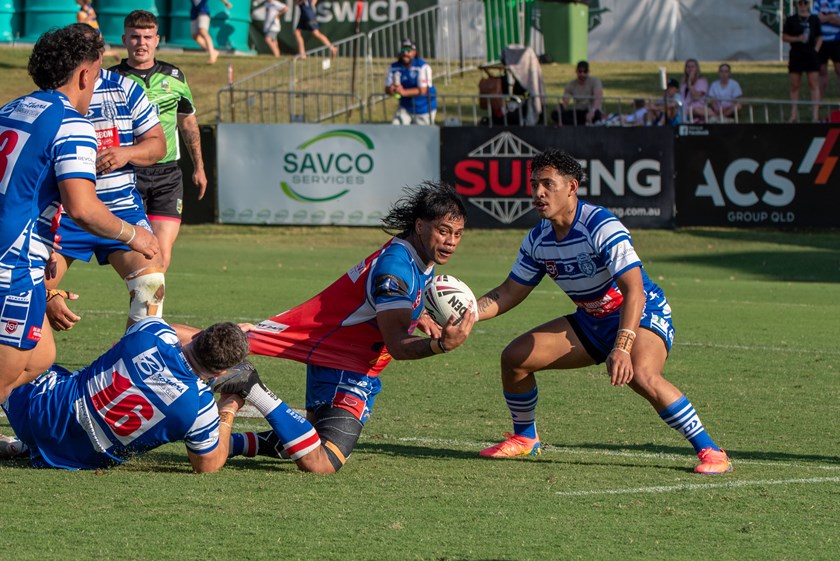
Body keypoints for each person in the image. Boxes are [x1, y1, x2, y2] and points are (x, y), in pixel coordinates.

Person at [176, 181, 476, 474]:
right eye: (443, 231)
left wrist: (418, 314)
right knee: (322, 462)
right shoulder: (396, 270)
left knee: (305, 438)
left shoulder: (418, 255)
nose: (451, 241)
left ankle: (224, 443)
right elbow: (397, 345)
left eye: (458, 233)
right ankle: (251, 388)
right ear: (421, 226)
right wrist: (441, 345)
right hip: (343, 362)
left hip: (347, 354)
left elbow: (386, 303)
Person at [475, 149, 733, 475]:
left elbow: (634, 290)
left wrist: (622, 347)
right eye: (533, 184)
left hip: (641, 311)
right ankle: (526, 439)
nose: (538, 193)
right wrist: (466, 315)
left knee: (641, 374)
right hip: (592, 319)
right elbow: (508, 292)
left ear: (571, 187)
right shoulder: (538, 239)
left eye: (547, 184)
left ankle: (711, 451)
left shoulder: (600, 224)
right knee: (515, 358)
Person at [0, 24, 158, 403]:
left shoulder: (11, 108)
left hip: (21, 255)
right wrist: (135, 235)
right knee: (7, 371)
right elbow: (83, 208)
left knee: (40, 358)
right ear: (86, 74)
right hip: (13, 261)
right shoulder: (71, 123)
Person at [0, 319, 250, 472]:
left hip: (38, 413)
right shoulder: (201, 407)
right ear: (224, 371)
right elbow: (208, 465)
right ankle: (25, 447)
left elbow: (173, 330)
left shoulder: (152, 333)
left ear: (199, 335)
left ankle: (24, 443)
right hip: (77, 458)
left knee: (26, 332)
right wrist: (228, 408)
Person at [46, 24, 168, 334]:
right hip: (68, 213)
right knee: (34, 292)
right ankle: (30, 368)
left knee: (150, 285)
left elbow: (158, 145)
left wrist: (127, 153)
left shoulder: (126, 90)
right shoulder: (55, 94)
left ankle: (125, 369)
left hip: (121, 208)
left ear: (100, 54)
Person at [111, 10, 208, 271]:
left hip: (167, 175)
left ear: (157, 40)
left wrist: (199, 166)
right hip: (128, 173)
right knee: (137, 254)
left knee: (161, 256)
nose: (141, 43)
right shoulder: (110, 79)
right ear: (124, 39)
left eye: (147, 36)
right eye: (135, 37)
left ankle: (150, 312)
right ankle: (143, 306)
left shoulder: (175, 77)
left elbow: (187, 122)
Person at [785, 0, 824, 123]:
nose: (802, 6)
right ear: (797, 5)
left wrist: (816, 50)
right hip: (796, 54)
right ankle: (794, 114)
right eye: (800, 4)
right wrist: (797, 38)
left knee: (813, 84)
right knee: (795, 85)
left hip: (810, 55)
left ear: (808, 5)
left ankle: (815, 115)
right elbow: (784, 36)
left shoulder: (814, 19)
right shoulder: (791, 20)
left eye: (805, 3)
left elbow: (819, 36)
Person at [384, 39, 438, 125]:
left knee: (421, 134)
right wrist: (391, 89)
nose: (405, 53)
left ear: (414, 52)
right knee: (395, 127)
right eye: (403, 50)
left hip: (424, 108)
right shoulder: (394, 67)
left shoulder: (423, 66)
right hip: (406, 107)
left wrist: (403, 92)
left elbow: (422, 90)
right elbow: (387, 89)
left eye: (408, 50)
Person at [190, 0, 233, 64]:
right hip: (194, 13)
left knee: (203, 31)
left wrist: (225, 2)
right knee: (195, 36)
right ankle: (213, 51)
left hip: (203, 12)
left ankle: (212, 54)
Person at [813, 0, 840, 98]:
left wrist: (824, 17)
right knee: (822, 70)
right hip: (821, 41)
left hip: (837, 40)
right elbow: (815, 19)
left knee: (838, 69)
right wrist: (832, 16)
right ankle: (819, 100)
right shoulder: (818, 1)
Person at [680, 58, 709, 123]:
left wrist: (690, 82)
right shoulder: (684, 83)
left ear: (697, 68)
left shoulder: (702, 81)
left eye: (692, 67)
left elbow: (696, 97)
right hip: (685, 109)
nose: (690, 69)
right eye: (688, 67)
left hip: (697, 110)